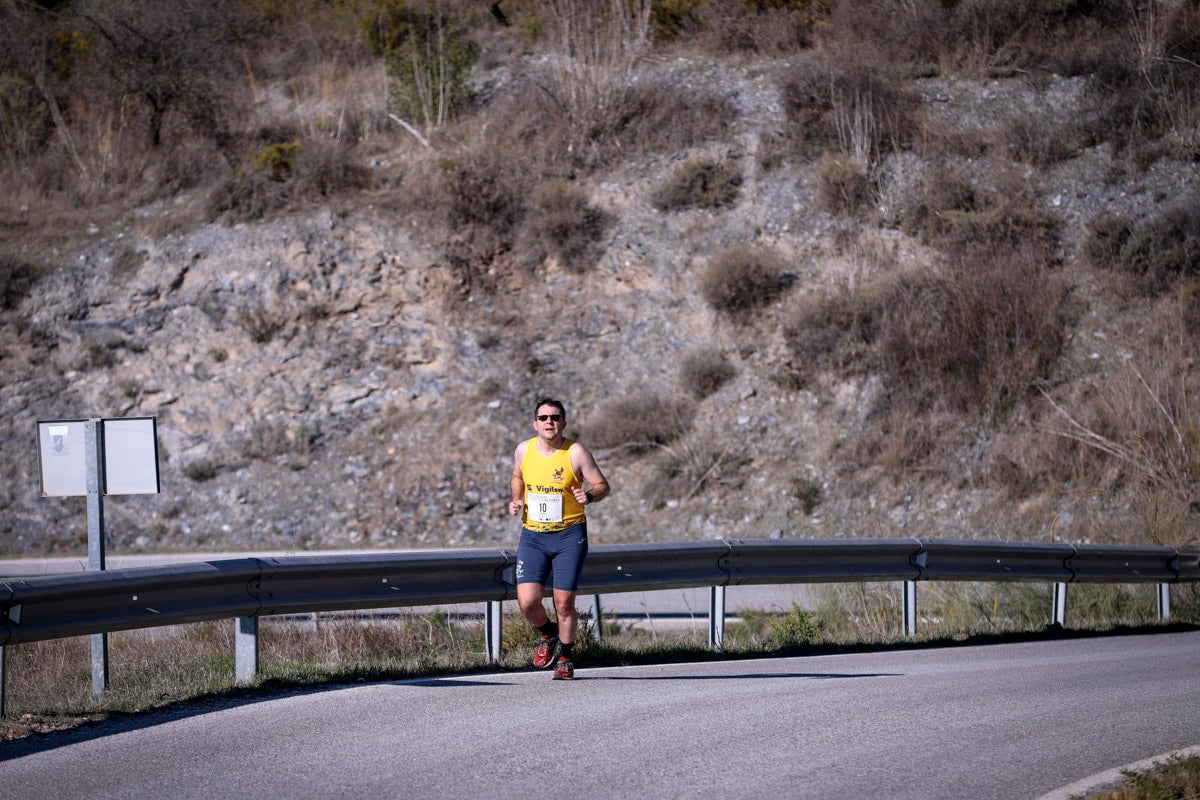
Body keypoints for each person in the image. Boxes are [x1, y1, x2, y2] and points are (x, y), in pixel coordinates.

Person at [508, 397, 610, 680]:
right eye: (543, 418)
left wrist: (589, 495)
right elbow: (517, 476)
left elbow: (603, 485)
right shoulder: (523, 450)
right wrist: (516, 499)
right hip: (533, 537)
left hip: (569, 536)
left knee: (563, 603)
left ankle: (565, 656)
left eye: (555, 417)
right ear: (535, 424)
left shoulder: (576, 452)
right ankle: (548, 633)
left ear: (563, 423)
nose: (549, 422)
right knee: (528, 602)